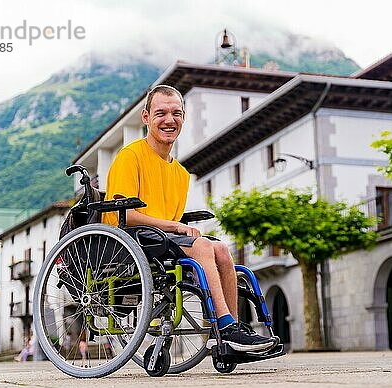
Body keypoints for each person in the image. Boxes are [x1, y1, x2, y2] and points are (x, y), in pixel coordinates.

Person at [102, 84, 276, 352]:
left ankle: (234, 332)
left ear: (184, 117)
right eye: (161, 113)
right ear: (146, 117)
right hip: (129, 238)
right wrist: (174, 226)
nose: (169, 120)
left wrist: (176, 227)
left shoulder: (181, 174)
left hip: (161, 239)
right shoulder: (130, 156)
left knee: (221, 249)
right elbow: (123, 214)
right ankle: (226, 326)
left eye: (176, 113)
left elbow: (172, 221)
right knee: (204, 245)